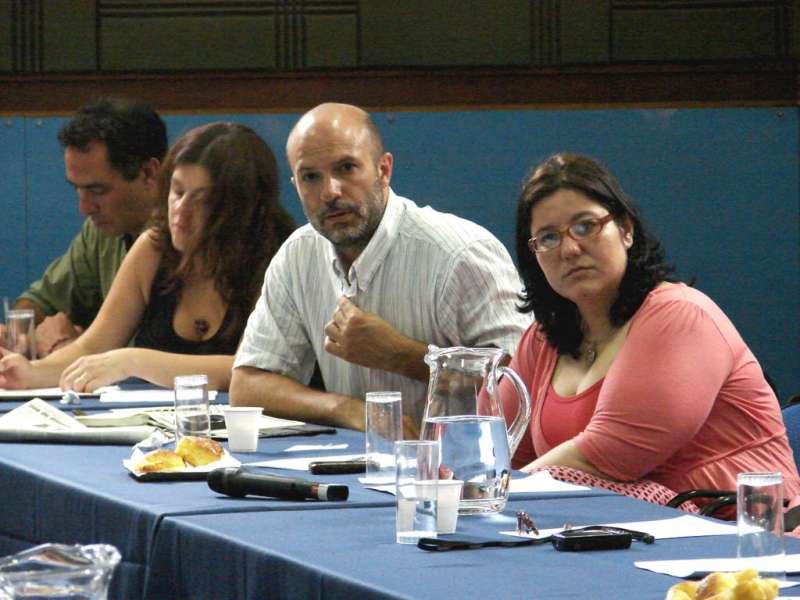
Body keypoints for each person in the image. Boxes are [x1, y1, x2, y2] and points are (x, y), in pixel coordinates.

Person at [502, 152, 800, 510]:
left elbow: (608, 456)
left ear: (626, 230)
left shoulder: (681, 316)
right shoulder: (541, 340)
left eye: (585, 226)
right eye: (548, 238)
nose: (569, 249)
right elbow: (498, 455)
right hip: (610, 532)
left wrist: (495, 493)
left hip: (742, 533)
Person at [231, 102, 531, 432]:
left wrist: (401, 355)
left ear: (383, 170)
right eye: (310, 177)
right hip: (354, 461)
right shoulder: (298, 255)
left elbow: (522, 385)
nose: (330, 192)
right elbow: (248, 386)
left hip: (458, 460)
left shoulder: (460, 254)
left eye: (347, 168)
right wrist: (349, 410)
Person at [0, 122, 295, 391]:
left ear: (240, 208)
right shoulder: (153, 247)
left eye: (202, 200)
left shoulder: (279, 258)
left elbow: (248, 372)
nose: (181, 210)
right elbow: (92, 348)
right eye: (177, 191)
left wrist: (133, 361)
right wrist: (29, 372)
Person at [8, 97, 167, 358]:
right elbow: (42, 300)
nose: (84, 207)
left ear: (148, 173)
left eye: (97, 190)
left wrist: (73, 347)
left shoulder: (186, 237)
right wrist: (18, 335)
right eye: (77, 189)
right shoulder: (102, 232)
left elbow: (157, 355)